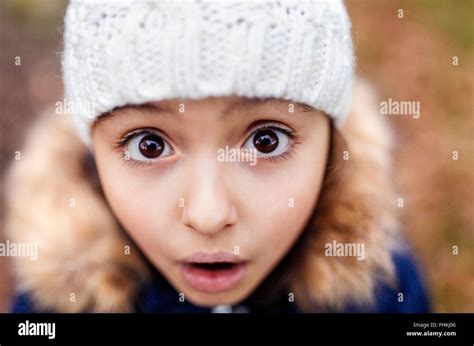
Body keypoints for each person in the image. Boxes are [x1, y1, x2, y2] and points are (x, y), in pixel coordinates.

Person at [6, 0, 429, 313]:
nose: (208, 216)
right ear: (93, 153)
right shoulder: (56, 306)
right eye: (148, 145)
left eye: (267, 140)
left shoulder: (383, 291)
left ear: (330, 145)